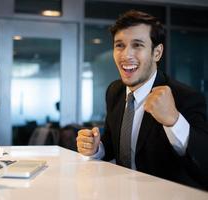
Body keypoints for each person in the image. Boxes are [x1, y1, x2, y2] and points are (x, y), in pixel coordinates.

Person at [76, 10, 208, 190]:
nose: (126, 55)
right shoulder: (114, 91)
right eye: (119, 45)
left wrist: (174, 121)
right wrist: (96, 148)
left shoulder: (186, 97)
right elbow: (112, 143)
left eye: (137, 45)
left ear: (157, 53)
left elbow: (203, 163)